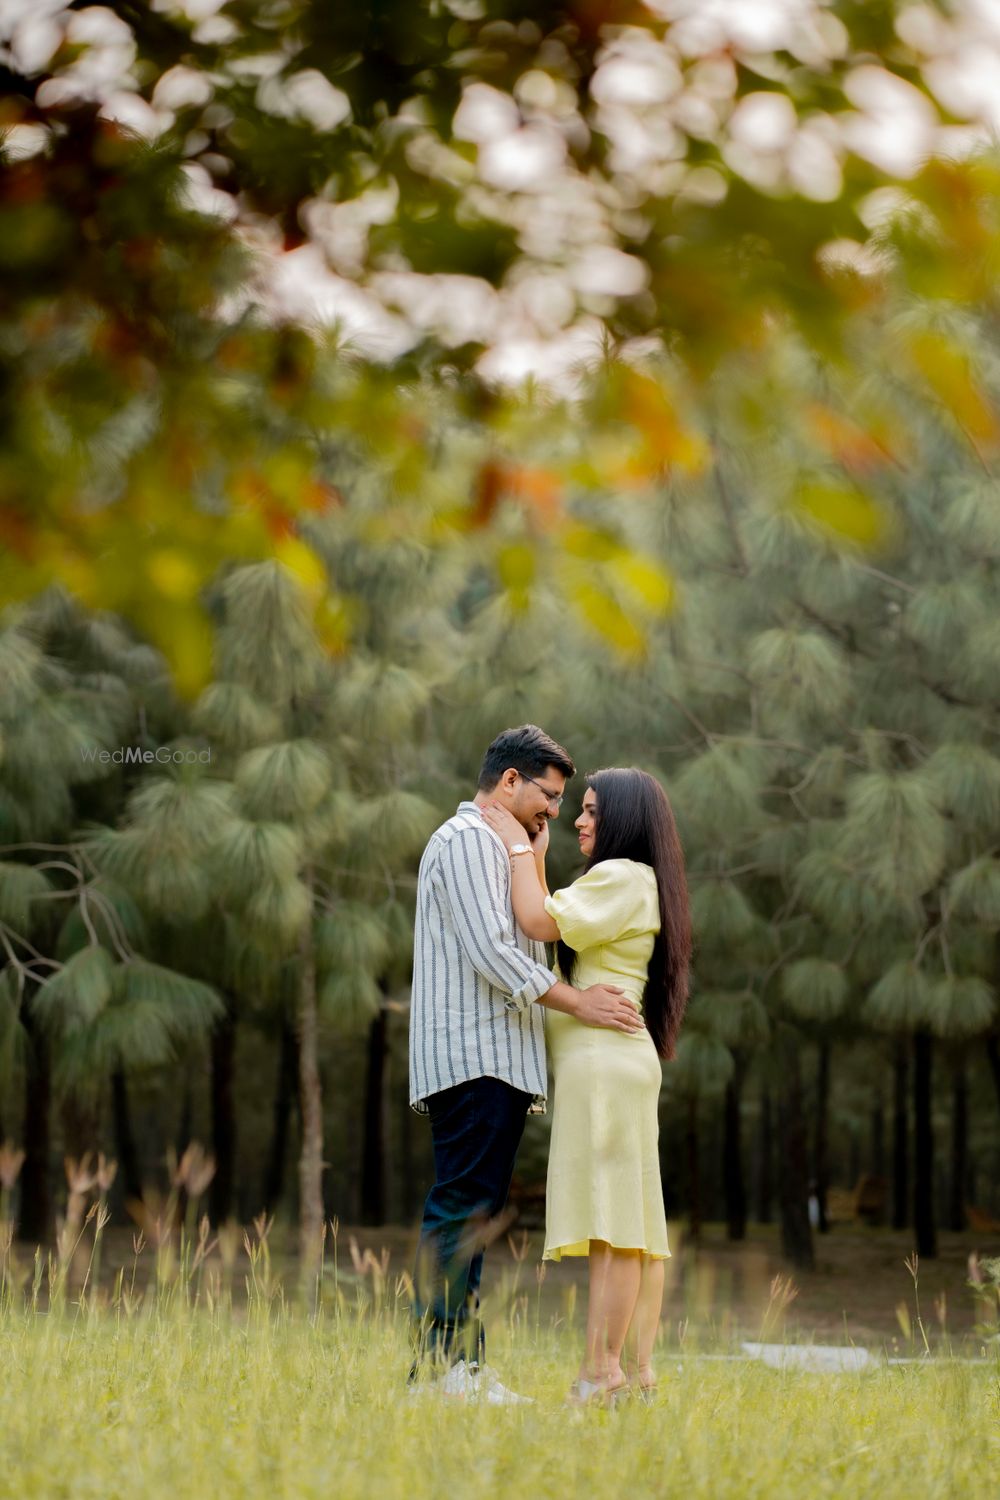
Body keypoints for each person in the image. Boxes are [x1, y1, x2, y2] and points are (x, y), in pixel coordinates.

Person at [408, 726, 644, 1405]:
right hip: (471, 1057)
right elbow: (493, 951)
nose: (557, 813)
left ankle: (458, 1368)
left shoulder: (498, 844)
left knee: (473, 1212)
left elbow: (530, 930)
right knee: (459, 1210)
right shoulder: (464, 841)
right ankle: (443, 1370)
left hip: (497, 1061)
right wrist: (580, 1004)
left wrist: (532, 854)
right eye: (549, 796)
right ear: (509, 781)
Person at [482, 766, 691, 1406]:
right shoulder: (633, 882)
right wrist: (539, 860)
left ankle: (601, 1375)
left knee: (615, 1223)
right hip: (611, 1064)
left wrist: (518, 844)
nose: (577, 819)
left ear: (624, 820)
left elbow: (539, 924)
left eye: (594, 811)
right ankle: (631, 1372)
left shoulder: (622, 877)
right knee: (625, 1221)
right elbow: (558, 923)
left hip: (604, 1065)